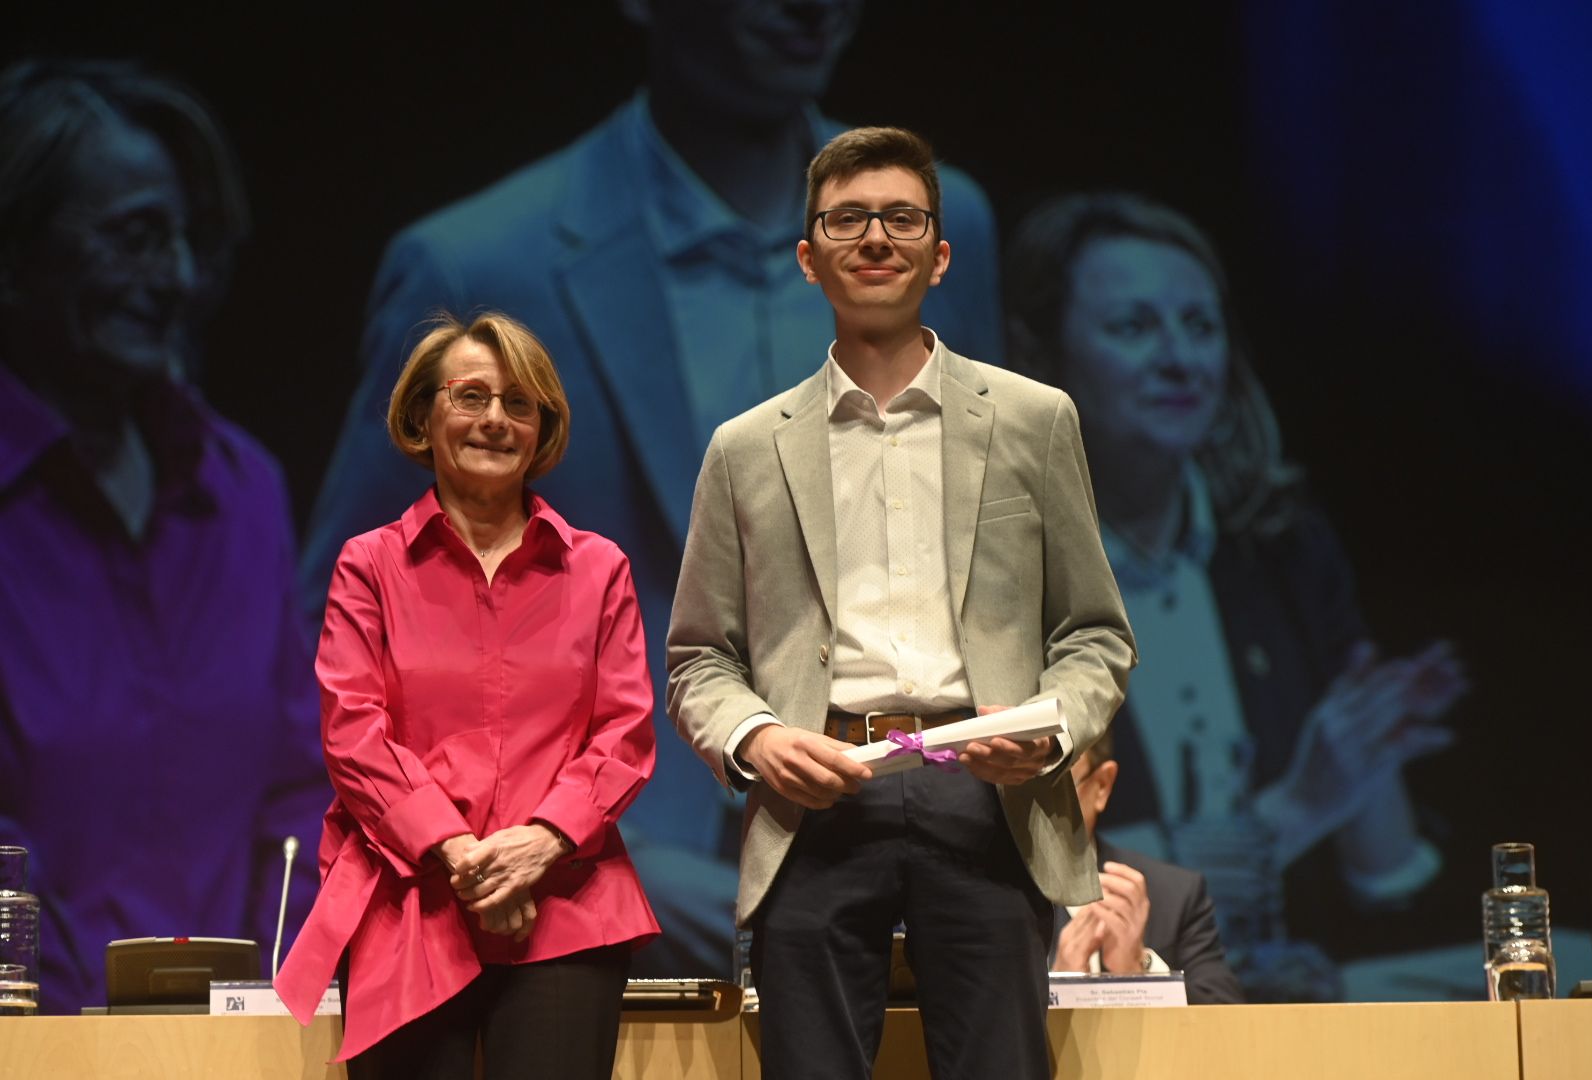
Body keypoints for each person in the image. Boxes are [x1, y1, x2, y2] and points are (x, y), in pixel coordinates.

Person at [297, 1, 1002, 976]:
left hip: (896, 821)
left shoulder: (944, 222)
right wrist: (504, 834)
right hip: (592, 859)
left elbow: (985, 553)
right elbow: (343, 621)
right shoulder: (482, 260)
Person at [667, 127, 1136, 1080]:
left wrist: (1046, 736)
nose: (875, 237)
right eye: (847, 219)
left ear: (940, 253)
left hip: (987, 798)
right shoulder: (747, 448)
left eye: (901, 218)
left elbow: (1094, 635)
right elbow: (698, 658)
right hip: (819, 798)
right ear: (809, 258)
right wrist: (757, 738)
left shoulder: (1033, 418)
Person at [1004, 192, 1467, 999]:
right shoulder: (997, 573)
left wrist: (1368, 751)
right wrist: (1294, 810)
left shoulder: (1280, 548)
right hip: (1086, 1007)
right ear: (1041, 361)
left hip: (1294, 994)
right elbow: (1029, 875)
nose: (1183, 360)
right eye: (1135, 328)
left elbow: (1387, 883)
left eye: (1201, 325)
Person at [0, 58, 327, 1012]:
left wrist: (264, 1010)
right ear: (16, 250)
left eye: (186, 241)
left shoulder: (242, 489)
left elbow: (299, 798)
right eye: (136, 238)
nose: (176, 279)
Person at [273, 313, 659, 1076]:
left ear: (542, 428)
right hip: (410, 901)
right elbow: (354, 734)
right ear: (424, 416)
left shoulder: (599, 568)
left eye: (519, 403)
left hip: (566, 905)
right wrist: (464, 857)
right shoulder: (369, 566)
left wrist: (541, 844)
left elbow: (626, 732)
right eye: (470, 396)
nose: (495, 420)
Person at [1054, 727, 1244, 1005]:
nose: (1036, 807)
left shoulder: (1175, 895)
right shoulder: (980, 895)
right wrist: (1057, 992)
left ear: (1102, 786)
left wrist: (1139, 972)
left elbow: (1228, 1025)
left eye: (1057, 787)